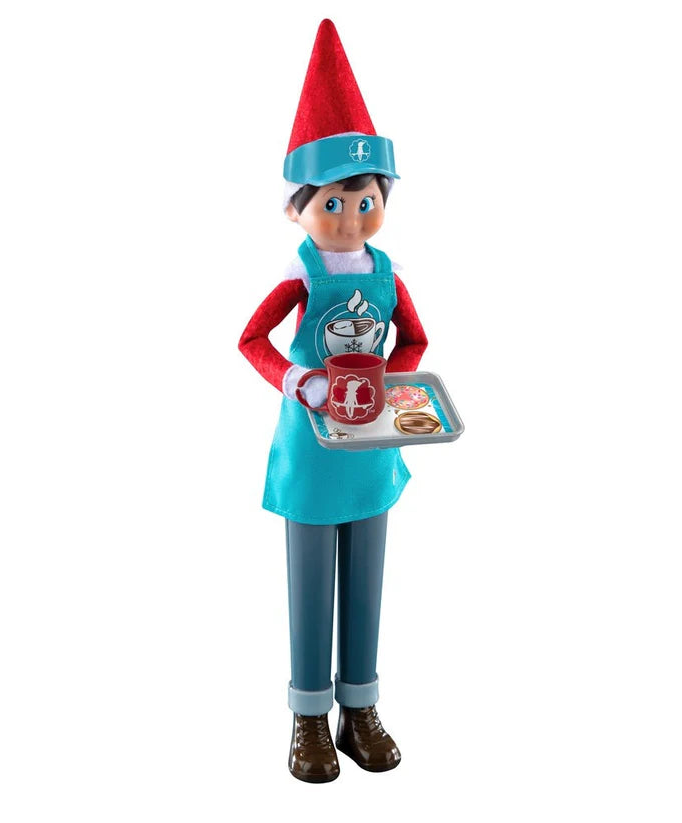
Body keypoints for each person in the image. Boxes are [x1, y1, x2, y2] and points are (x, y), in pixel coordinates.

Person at [238, 19, 427, 783]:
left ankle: (361, 706)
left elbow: (413, 339)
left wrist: (396, 383)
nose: (350, 218)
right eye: (333, 203)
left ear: (382, 200)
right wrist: (301, 381)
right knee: (311, 581)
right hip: (312, 450)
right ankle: (309, 715)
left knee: (367, 578)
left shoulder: (387, 272)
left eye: (365, 201)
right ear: (299, 207)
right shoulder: (301, 274)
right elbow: (252, 339)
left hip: (371, 446)